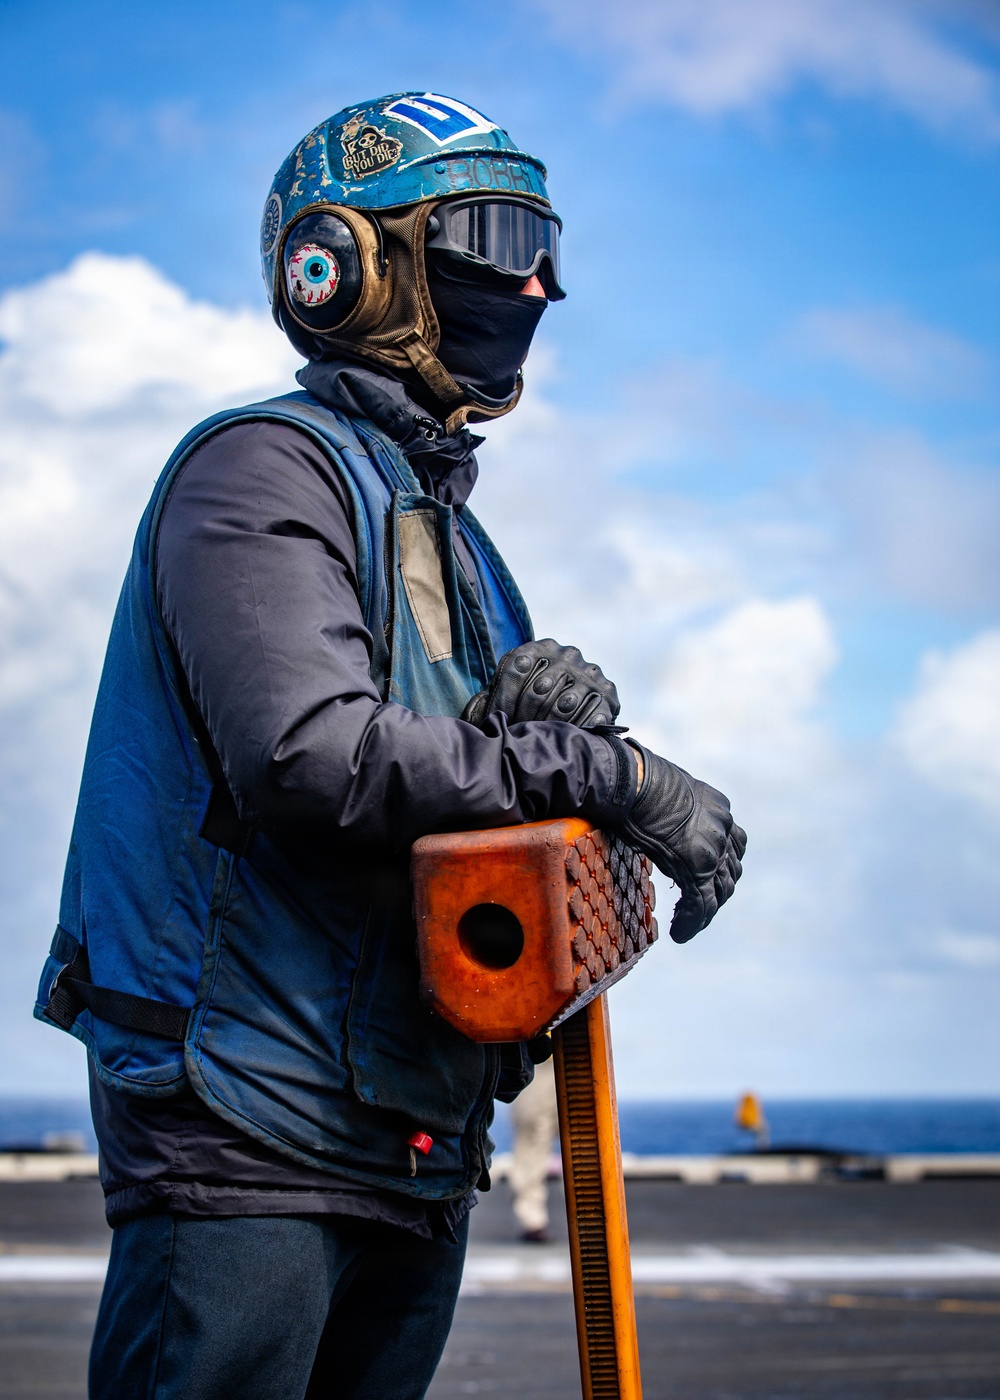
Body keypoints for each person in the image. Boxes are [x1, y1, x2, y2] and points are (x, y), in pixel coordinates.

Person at [33, 91, 746, 1400]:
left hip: (411, 1130)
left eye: (546, 247)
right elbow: (318, 764)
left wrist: (527, 736)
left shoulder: (459, 543)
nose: (534, 281)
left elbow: (453, 810)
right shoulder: (263, 472)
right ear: (342, 267)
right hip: (250, 1125)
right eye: (490, 235)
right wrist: (617, 777)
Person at [509, 1052, 559, 1242]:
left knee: (584, 1138)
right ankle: (531, 1219)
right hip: (536, 1054)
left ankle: (592, 1215)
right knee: (532, 1139)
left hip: (575, 1050)